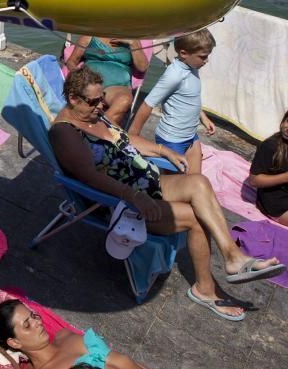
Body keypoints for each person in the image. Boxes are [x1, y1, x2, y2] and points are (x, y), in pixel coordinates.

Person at [50, 66, 284, 321]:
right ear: (73, 99)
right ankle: (205, 289)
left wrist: (163, 151)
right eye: (94, 102)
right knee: (195, 217)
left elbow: (124, 139)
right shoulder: (65, 132)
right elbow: (89, 177)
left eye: (101, 100)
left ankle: (233, 256)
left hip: (146, 182)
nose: (100, 106)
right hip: (122, 203)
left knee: (199, 182)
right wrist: (134, 196)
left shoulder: (94, 116)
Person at [129, 30, 217, 176]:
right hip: (173, 140)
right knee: (175, 184)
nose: (206, 60)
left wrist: (204, 117)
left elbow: (191, 98)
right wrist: (133, 135)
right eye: (203, 57)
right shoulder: (174, 75)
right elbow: (148, 103)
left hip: (191, 135)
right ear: (183, 53)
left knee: (195, 180)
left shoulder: (192, 66)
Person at [0, 299, 148, 369]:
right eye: (27, 325)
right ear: (15, 343)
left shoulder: (65, 336)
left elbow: (126, 362)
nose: (38, 322)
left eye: (33, 316)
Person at [65, 37, 149, 126]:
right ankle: (90, 130)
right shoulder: (89, 35)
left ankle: (96, 131)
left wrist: (133, 42)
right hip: (91, 82)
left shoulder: (132, 38)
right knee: (84, 97)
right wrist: (79, 76)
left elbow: (142, 68)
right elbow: (72, 61)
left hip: (116, 86)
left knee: (124, 100)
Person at [247, 109, 288, 226]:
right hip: (276, 201)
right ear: (283, 121)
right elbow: (253, 180)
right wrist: (285, 177)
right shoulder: (270, 146)